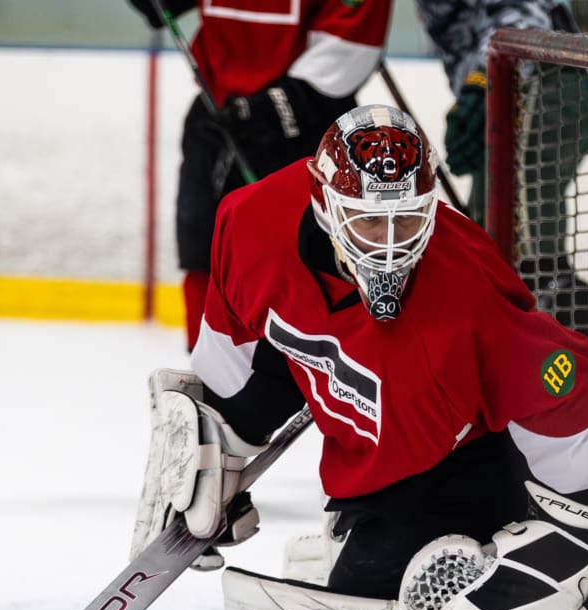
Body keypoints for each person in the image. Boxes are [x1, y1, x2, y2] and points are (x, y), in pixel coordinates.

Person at [134, 103, 588, 610]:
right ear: (324, 202)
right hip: (372, 433)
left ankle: (580, 592)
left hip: (462, 458)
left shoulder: (468, 297)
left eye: (408, 219)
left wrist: (568, 546)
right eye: (369, 220)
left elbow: (581, 397)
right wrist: (216, 455)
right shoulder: (249, 222)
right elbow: (238, 362)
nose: (390, 245)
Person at [414, 0, 588, 440]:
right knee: (490, 258)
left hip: (538, 90)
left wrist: (480, 84)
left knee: (530, 265)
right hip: (518, 90)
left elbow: (522, 17)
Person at [127, 0, 391, 351]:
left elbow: (350, 45)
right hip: (217, 111)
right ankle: (209, 379)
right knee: (204, 245)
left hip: (302, 124)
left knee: (305, 263)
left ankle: (310, 385)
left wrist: (270, 109)